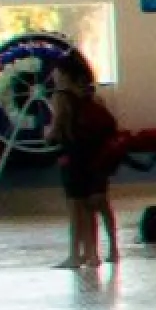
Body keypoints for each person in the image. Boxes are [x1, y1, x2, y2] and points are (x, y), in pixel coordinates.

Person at [51, 59, 121, 273]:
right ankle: (109, 250)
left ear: (64, 76)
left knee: (76, 208)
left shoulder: (61, 98)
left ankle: (79, 253)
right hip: (97, 158)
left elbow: (56, 129)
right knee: (98, 205)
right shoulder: (94, 98)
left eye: (55, 73)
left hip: (73, 158)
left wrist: (47, 135)